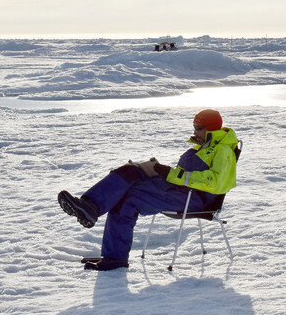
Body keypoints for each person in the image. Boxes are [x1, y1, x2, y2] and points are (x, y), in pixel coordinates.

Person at [58, 109, 239, 271]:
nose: (194, 131)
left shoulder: (223, 150)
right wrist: (159, 170)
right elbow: (187, 175)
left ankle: (114, 256)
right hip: (180, 191)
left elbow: (215, 182)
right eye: (194, 126)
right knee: (131, 172)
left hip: (197, 200)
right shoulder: (205, 147)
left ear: (211, 128)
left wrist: (171, 174)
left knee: (129, 197)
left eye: (199, 127)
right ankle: (89, 206)